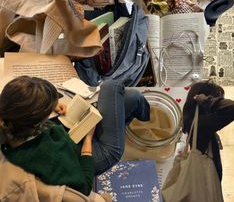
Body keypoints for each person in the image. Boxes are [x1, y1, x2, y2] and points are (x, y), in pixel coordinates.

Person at [0, 76, 150, 196]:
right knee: (110, 86)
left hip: (71, 143)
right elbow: (83, 185)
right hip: (87, 159)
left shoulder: (10, 118)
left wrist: (50, 106)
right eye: (46, 112)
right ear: (37, 123)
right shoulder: (46, 156)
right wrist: (88, 139)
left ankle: (134, 121)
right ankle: (142, 121)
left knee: (131, 97)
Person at [182, 79, 234, 182]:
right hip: (204, 182)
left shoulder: (192, 120)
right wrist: (207, 101)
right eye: (218, 99)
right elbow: (233, 108)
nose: (220, 104)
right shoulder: (201, 123)